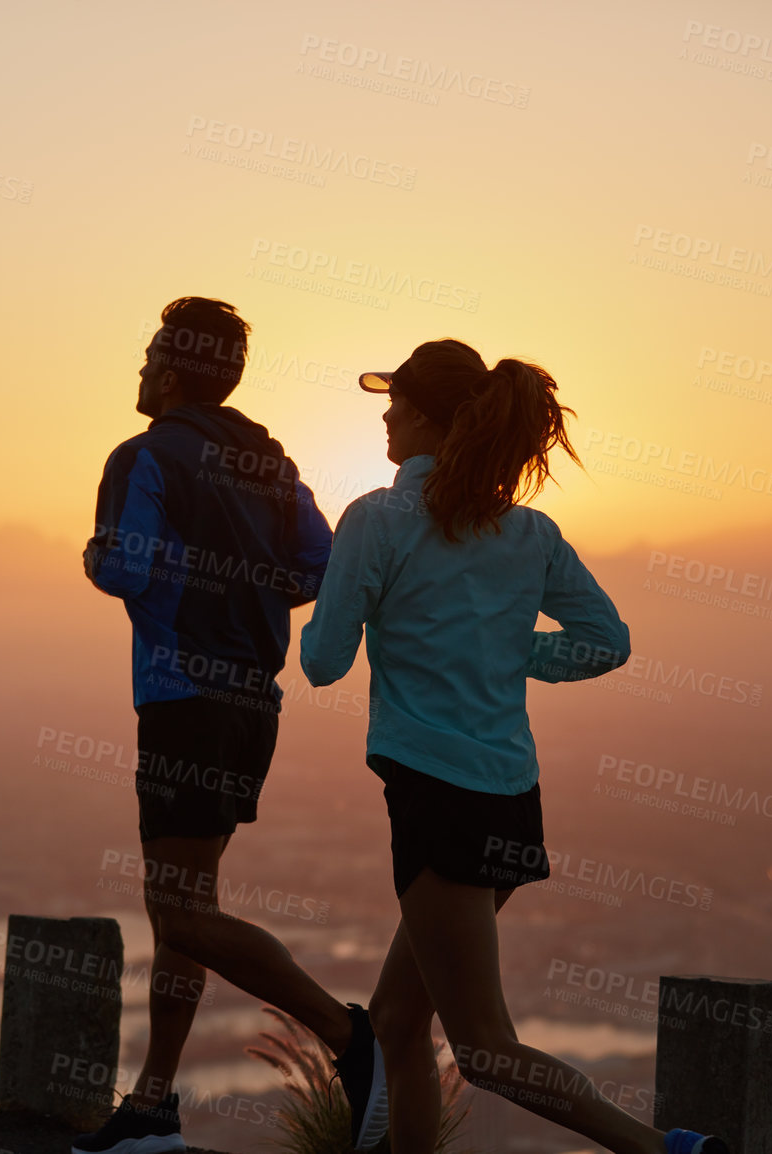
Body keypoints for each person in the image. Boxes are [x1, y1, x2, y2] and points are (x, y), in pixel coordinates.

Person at [298, 339, 730, 1154]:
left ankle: (659, 1149)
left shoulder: (376, 520)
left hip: (435, 798)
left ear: (426, 415)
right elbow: (607, 641)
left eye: (396, 402)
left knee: (486, 1048)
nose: (385, 415)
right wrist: (508, 651)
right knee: (395, 1018)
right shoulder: (529, 533)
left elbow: (322, 664)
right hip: (508, 797)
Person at [75, 297, 388, 1154]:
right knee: (185, 903)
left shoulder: (141, 458)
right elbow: (318, 566)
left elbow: (123, 567)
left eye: (148, 356)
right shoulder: (271, 462)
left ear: (172, 371)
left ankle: (351, 1037)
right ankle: (152, 1105)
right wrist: (248, 592)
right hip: (255, 701)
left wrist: (103, 557)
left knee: (179, 916)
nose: (139, 370)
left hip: (182, 699)